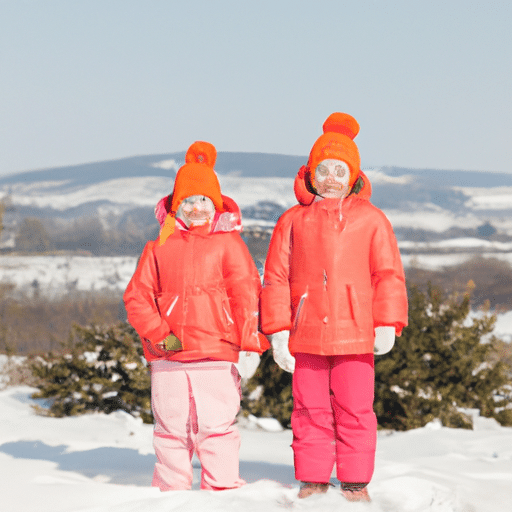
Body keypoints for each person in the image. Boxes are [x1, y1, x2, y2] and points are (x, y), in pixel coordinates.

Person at [260, 113, 408, 502]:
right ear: (310, 174)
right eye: (322, 169)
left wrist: (387, 322)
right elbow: (275, 277)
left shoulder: (372, 220)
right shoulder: (291, 221)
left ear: (353, 175)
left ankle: (355, 481)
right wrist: (277, 331)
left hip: (356, 333)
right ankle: (313, 477)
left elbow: (387, 274)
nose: (330, 178)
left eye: (339, 170)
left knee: (355, 409)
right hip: (305, 333)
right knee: (308, 409)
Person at [124, 141, 269, 491]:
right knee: (170, 429)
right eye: (187, 201)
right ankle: (171, 493)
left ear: (215, 204)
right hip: (169, 357)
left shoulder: (230, 245)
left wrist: (249, 345)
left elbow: (247, 295)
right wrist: (163, 337)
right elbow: (137, 298)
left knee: (217, 427)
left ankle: (223, 490)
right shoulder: (158, 247)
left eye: (203, 200)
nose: (196, 207)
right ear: (176, 207)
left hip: (217, 354)